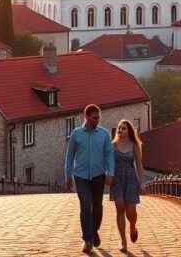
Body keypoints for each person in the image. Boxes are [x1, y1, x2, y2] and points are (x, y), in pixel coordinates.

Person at [65, 104, 114, 254]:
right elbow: (70, 156)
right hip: (81, 176)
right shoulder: (76, 134)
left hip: (99, 175)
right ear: (86, 117)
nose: (97, 120)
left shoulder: (104, 134)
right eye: (94, 118)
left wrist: (110, 173)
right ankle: (87, 239)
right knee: (86, 205)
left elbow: (109, 154)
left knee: (97, 206)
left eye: (98, 117)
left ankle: (94, 230)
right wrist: (68, 176)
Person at [110, 119, 146, 254]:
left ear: (129, 130)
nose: (120, 130)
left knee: (131, 211)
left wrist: (142, 181)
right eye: (119, 128)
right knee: (120, 209)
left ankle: (132, 226)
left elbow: (139, 165)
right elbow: (109, 162)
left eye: (123, 128)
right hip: (117, 179)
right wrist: (109, 175)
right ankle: (123, 241)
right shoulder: (113, 145)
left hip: (131, 179)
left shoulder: (135, 145)